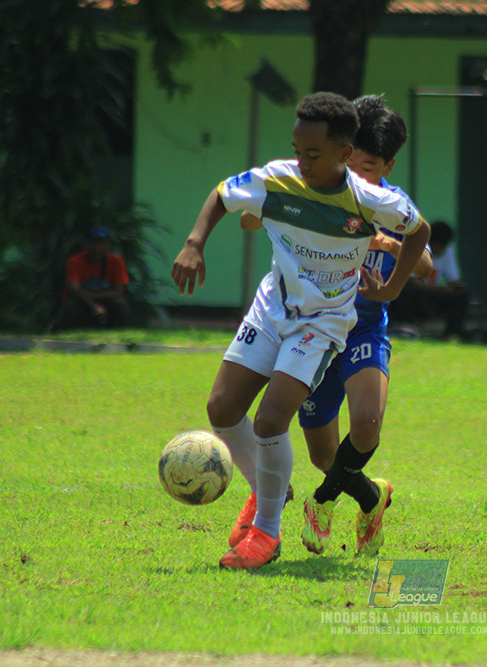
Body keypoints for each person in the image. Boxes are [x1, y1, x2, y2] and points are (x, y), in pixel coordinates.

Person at [170, 91, 431, 571]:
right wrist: (194, 243)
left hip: (324, 323)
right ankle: (268, 489)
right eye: (298, 150)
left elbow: (420, 232)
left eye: (313, 153)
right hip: (273, 308)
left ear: (344, 155)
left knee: (271, 421)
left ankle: (266, 534)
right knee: (222, 409)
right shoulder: (279, 179)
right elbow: (223, 196)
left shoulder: (370, 199)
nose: (302, 161)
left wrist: (391, 289)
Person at [295, 94, 432, 559]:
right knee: (323, 457)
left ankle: (322, 501)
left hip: (364, 331)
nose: (359, 173)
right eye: (352, 160)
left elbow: (427, 263)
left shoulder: (392, 203)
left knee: (368, 424)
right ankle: (371, 497)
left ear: (388, 164)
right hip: (314, 332)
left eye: (370, 165)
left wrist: (391, 249)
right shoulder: (318, 188)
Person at [388, 220, 469, 339]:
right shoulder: (414, 246)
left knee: (462, 295)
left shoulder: (447, 251)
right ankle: (405, 326)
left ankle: (453, 332)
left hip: (432, 294)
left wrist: (457, 288)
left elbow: (453, 278)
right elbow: (411, 281)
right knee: (406, 291)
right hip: (417, 294)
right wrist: (440, 290)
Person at [57, 227, 131, 329]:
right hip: (83, 303)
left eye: (101, 244)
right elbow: (73, 290)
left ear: (108, 245)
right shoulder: (75, 261)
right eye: (93, 243)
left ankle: (119, 333)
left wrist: (95, 296)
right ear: (86, 245)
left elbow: (119, 291)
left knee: (120, 305)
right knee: (71, 306)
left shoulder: (116, 262)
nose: (97, 248)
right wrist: (93, 305)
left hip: (105, 302)